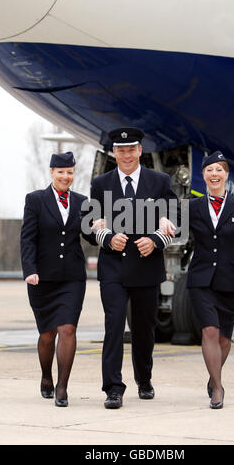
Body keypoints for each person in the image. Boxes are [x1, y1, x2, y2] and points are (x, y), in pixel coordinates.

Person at [88, 127, 179, 409]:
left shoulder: (160, 181)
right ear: (113, 153)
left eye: (131, 150)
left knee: (144, 329)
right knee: (114, 326)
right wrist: (107, 239)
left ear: (140, 151)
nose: (126, 155)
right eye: (121, 150)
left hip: (147, 268)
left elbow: (178, 220)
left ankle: (144, 378)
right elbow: (88, 228)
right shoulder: (100, 184)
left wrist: (155, 240)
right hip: (113, 270)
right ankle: (113, 389)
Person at [20, 151, 95, 407]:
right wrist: (29, 269)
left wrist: (100, 229)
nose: (66, 176)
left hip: (73, 277)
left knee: (68, 329)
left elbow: (90, 237)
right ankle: (46, 376)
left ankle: (62, 387)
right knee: (47, 334)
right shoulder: (35, 200)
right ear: (52, 172)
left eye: (70, 172)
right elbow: (27, 238)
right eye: (61, 172)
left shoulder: (82, 202)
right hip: (42, 278)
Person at [187, 151, 234, 409]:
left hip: (230, 280)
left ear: (226, 175)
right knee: (210, 330)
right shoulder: (193, 206)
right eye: (209, 170)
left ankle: (212, 376)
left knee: (225, 340)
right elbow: (172, 224)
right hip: (201, 279)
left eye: (219, 170)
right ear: (203, 175)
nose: (214, 174)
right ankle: (218, 388)